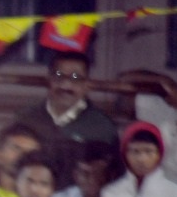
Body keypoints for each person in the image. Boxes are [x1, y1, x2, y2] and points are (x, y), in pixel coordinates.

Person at [11, 51, 119, 186]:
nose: (65, 85)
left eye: (76, 77)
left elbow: (113, 176)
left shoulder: (102, 127)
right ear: (49, 80)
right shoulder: (25, 119)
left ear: (87, 84)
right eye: (58, 75)